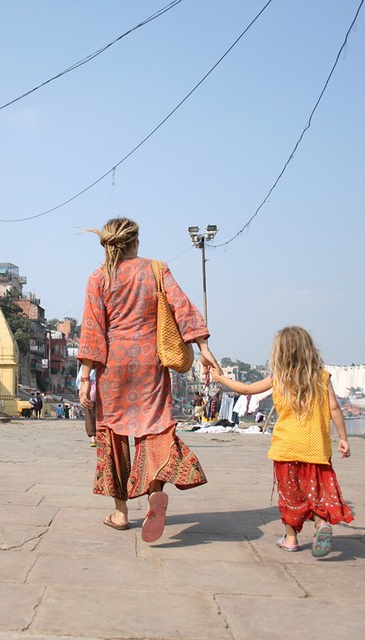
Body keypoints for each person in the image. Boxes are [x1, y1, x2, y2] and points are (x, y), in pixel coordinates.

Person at [77, 217, 220, 543]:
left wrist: (85, 377)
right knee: (153, 430)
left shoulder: (98, 278)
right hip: (150, 365)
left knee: (112, 436)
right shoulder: (157, 269)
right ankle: (154, 492)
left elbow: (92, 330)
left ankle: (121, 513)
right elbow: (181, 306)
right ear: (135, 242)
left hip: (113, 368)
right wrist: (203, 347)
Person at [214, 326, 353, 557]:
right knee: (316, 493)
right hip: (316, 449)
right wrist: (343, 438)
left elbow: (247, 389)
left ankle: (290, 539)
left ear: (279, 353)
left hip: (286, 448)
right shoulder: (322, 377)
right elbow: (334, 408)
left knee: (290, 495)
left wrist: (220, 378)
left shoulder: (278, 378)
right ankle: (321, 524)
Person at [77, 363, 97, 447]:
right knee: (91, 414)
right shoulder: (86, 365)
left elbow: (79, 381)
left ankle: (93, 438)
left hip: (90, 391)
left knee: (90, 415)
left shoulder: (85, 365)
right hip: (92, 390)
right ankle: (94, 437)